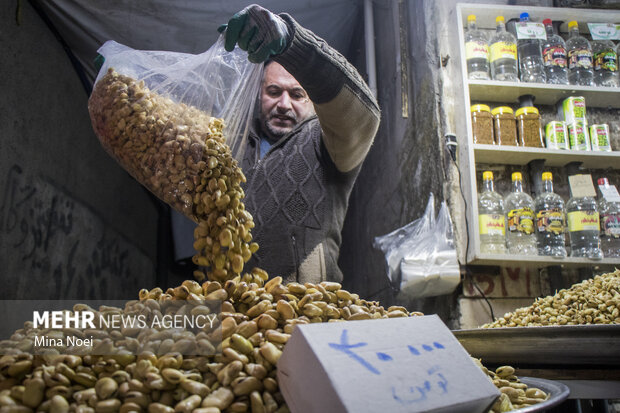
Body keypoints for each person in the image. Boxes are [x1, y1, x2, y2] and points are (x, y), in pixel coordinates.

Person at [221, 4, 380, 284]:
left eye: (297, 94)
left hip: (306, 311)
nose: (284, 104)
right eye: (273, 92)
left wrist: (294, 45)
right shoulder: (231, 143)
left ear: (312, 100)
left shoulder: (327, 143)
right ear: (258, 95)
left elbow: (363, 116)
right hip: (234, 312)